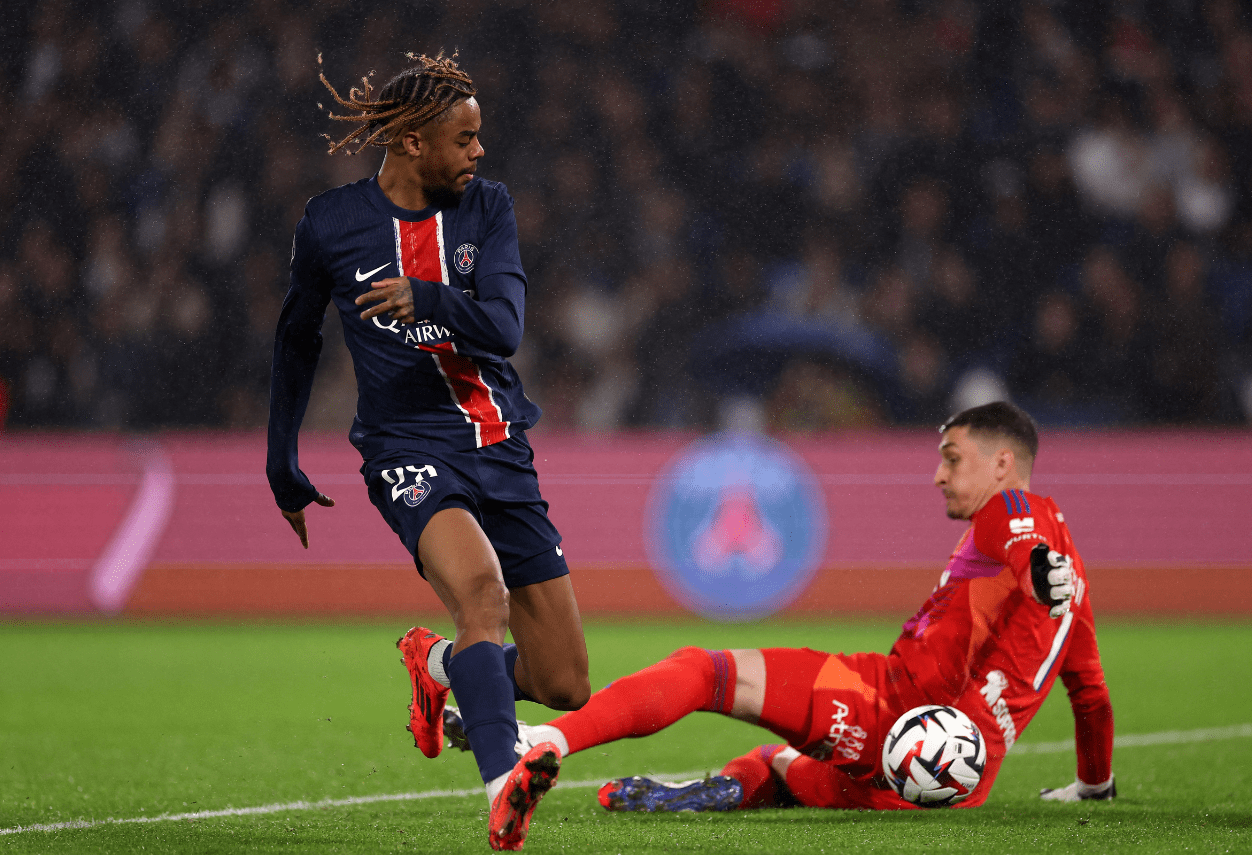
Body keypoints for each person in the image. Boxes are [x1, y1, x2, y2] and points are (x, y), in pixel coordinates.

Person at [448, 401, 1114, 811]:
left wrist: (1033, 562)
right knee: (784, 768)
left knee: (707, 671)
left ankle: (541, 737)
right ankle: (740, 786)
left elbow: (1016, 531)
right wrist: (1094, 785)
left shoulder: (1012, 511)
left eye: (952, 457)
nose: (939, 473)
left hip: (895, 708)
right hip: (950, 780)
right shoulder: (1073, 582)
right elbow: (1090, 695)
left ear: (1003, 463)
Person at [265, 52, 590, 851]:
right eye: (465, 139)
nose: (480, 153)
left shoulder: (487, 210)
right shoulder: (331, 222)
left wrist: (432, 298)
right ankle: (499, 782)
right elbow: (297, 336)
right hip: (406, 446)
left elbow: (506, 326)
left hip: (498, 444)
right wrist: (281, 458)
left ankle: (440, 666)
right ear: (411, 140)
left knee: (565, 682)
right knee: (483, 595)